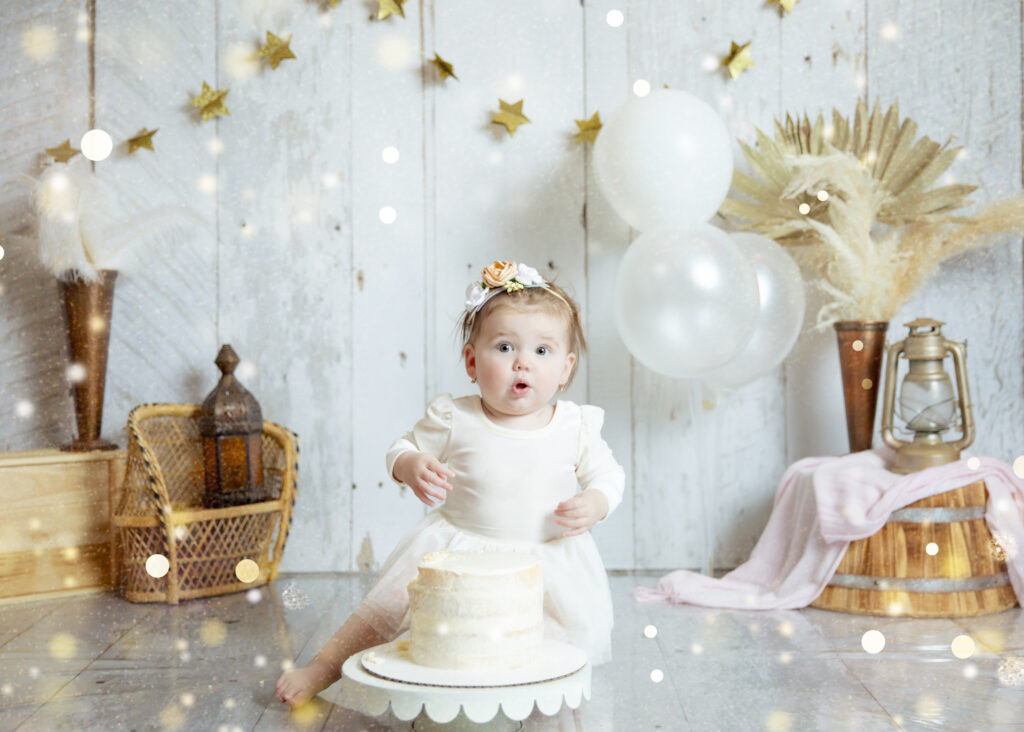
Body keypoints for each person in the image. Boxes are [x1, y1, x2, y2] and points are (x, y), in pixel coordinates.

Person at [276, 260, 625, 707]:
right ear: (472, 361)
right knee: (385, 613)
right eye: (504, 347)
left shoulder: (575, 426)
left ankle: (517, 706)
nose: (523, 361)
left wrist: (596, 501)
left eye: (542, 351)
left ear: (565, 369)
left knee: (539, 645)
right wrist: (412, 464)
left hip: (545, 562)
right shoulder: (456, 418)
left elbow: (608, 475)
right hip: (460, 549)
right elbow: (399, 449)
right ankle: (322, 668)